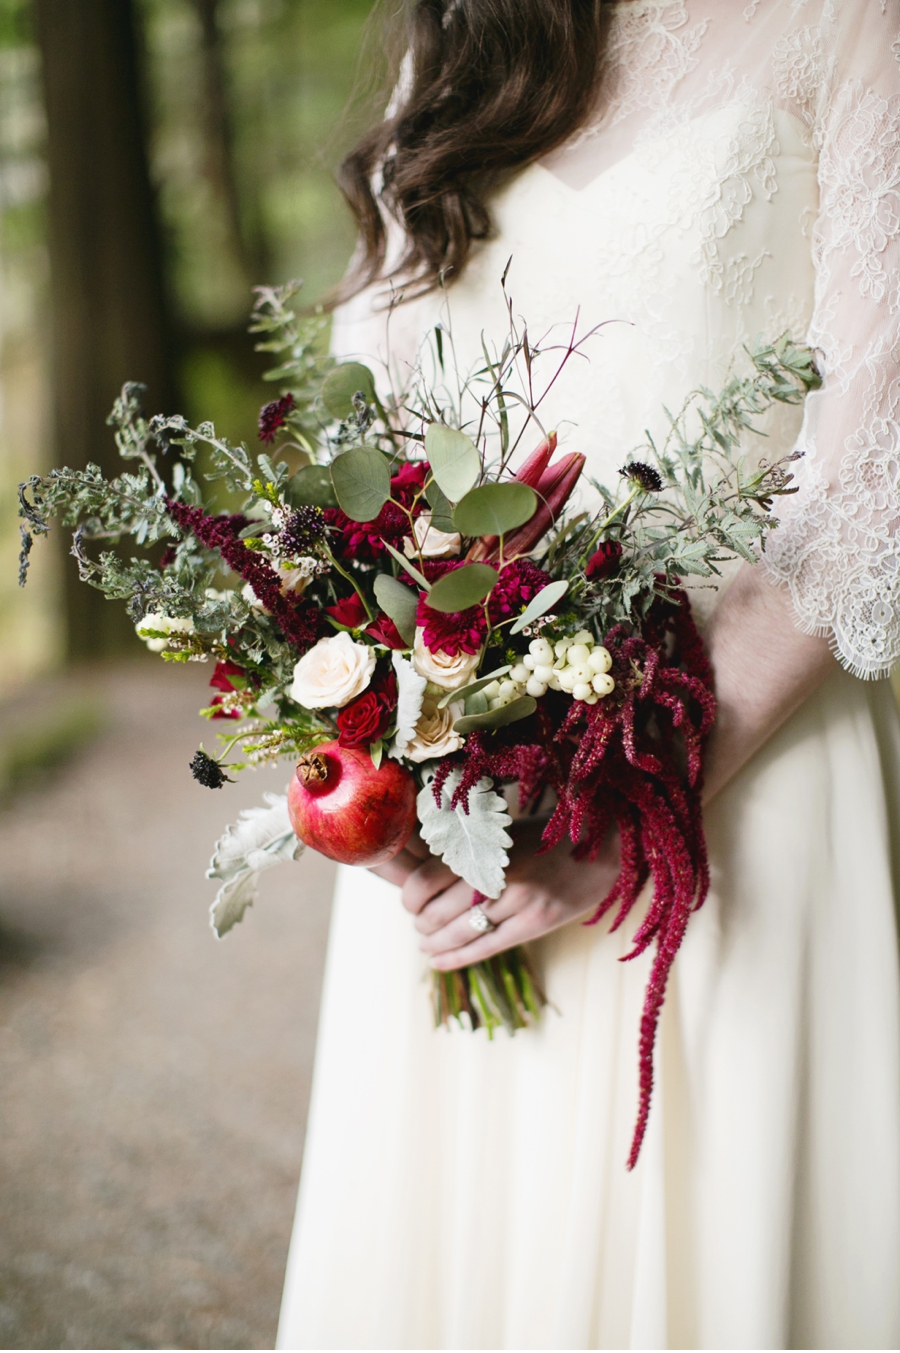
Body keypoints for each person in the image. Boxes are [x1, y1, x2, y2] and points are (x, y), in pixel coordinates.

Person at [277, 2, 900, 1347]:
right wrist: (387, 770)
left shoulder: (854, 23)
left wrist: (630, 803)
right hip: (469, 820)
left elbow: (873, 464)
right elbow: (381, 454)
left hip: (738, 789)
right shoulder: (459, 47)